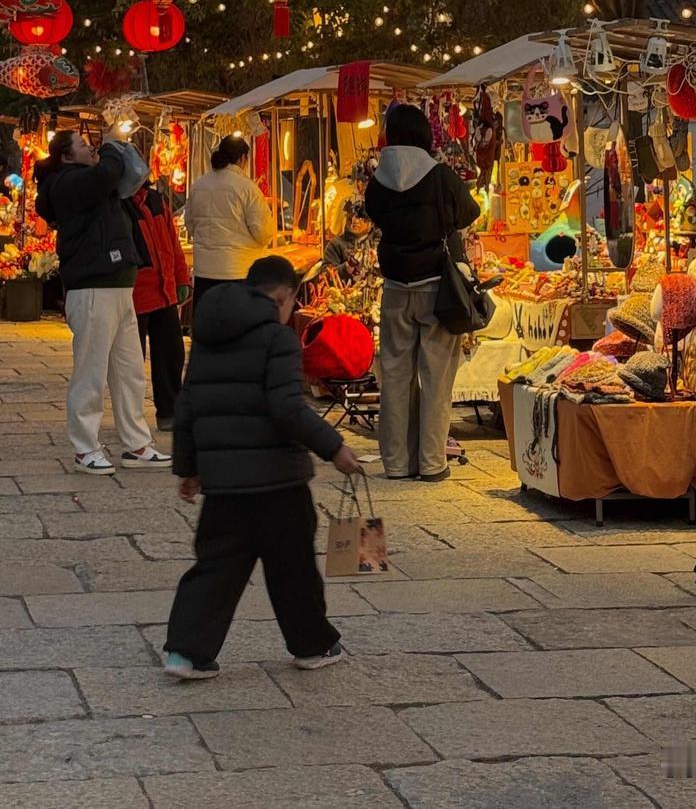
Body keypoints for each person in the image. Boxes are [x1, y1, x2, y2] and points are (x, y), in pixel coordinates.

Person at [164, 254, 362, 679]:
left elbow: (188, 404)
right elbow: (286, 407)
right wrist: (335, 448)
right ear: (283, 295)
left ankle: (186, 652)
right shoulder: (278, 338)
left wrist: (189, 468)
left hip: (224, 486)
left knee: (216, 567)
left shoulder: (208, 334)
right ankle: (312, 645)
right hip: (278, 481)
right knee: (293, 569)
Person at [35, 133, 168, 474]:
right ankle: (85, 447)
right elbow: (107, 172)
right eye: (83, 144)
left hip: (120, 285)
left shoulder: (91, 184)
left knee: (130, 371)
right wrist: (111, 145)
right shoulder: (67, 183)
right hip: (93, 286)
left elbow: (124, 178)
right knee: (90, 372)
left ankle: (137, 443)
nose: (91, 147)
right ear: (66, 156)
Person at [363, 104, 479, 483]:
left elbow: (373, 215)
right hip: (436, 289)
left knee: (394, 377)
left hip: (395, 288)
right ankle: (431, 462)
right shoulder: (441, 176)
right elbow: (469, 212)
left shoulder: (378, 179)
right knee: (436, 378)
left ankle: (396, 464)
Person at [128, 174, 191, 430]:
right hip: (134, 294)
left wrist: (181, 277)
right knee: (132, 360)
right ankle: (131, 416)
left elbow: (172, 243)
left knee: (171, 353)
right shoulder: (118, 204)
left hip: (164, 291)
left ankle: (169, 411)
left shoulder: (156, 201)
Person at [184, 136, 274, 306]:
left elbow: (190, 225)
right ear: (242, 159)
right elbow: (263, 232)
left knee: (208, 325)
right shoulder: (247, 188)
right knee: (236, 326)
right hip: (238, 271)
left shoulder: (198, 185)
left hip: (204, 272)